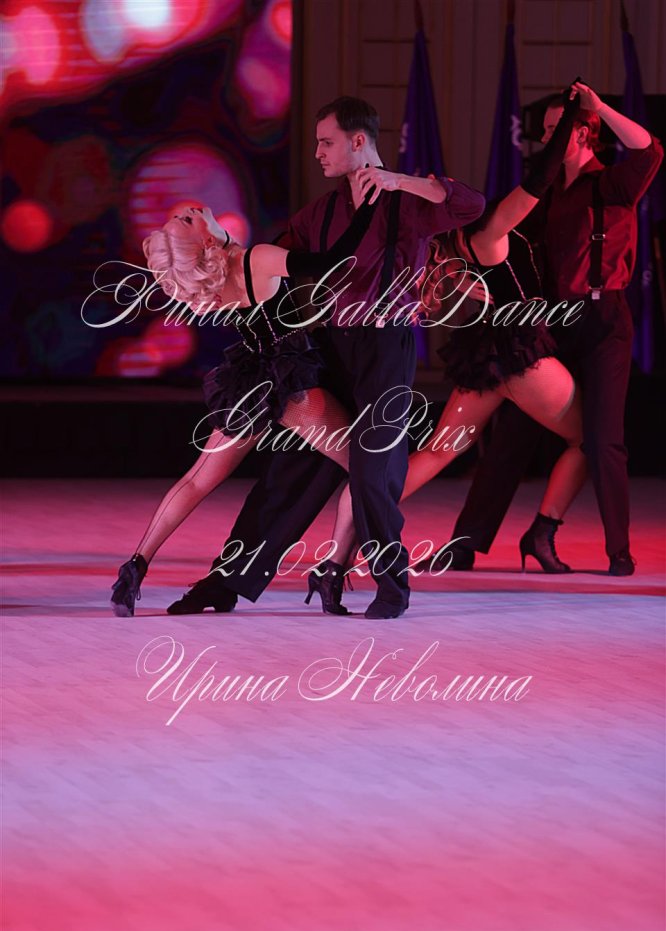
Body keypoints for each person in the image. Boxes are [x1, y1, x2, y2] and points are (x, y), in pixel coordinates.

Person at [166, 96, 486, 619]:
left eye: (326, 142)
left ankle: (392, 587)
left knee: (374, 470)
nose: (317, 152)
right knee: (289, 472)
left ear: (359, 141)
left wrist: (399, 181)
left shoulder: (407, 202)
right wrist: (216, 243)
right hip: (331, 348)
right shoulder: (321, 212)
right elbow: (265, 261)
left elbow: (471, 205)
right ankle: (225, 584)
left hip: (386, 348)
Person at [309, 85, 589, 606]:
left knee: (433, 454)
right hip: (519, 356)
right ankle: (543, 530)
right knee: (591, 438)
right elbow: (537, 180)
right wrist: (570, 121)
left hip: (483, 360)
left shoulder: (439, 239)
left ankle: (338, 557)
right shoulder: (489, 229)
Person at [428, 80, 663, 577]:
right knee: (511, 434)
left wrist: (599, 106)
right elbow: (501, 250)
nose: (548, 139)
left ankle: (612, 548)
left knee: (603, 439)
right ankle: (465, 545)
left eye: (558, 128)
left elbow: (650, 149)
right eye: (545, 131)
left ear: (584, 132)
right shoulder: (545, 196)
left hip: (603, 322)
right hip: (552, 323)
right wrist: (473, 286)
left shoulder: (612, 183)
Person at [111, 195, 377, 616]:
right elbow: (332, 263)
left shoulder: (210, 279)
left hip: (248, 381)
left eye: (184, 215)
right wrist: (369, 211)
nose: (190, 210)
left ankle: (134, 567)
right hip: (291, 383)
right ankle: (332, 567)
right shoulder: (257, 259)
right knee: (368, 467)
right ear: (205, 244)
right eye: (186, 220)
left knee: (197, 479)